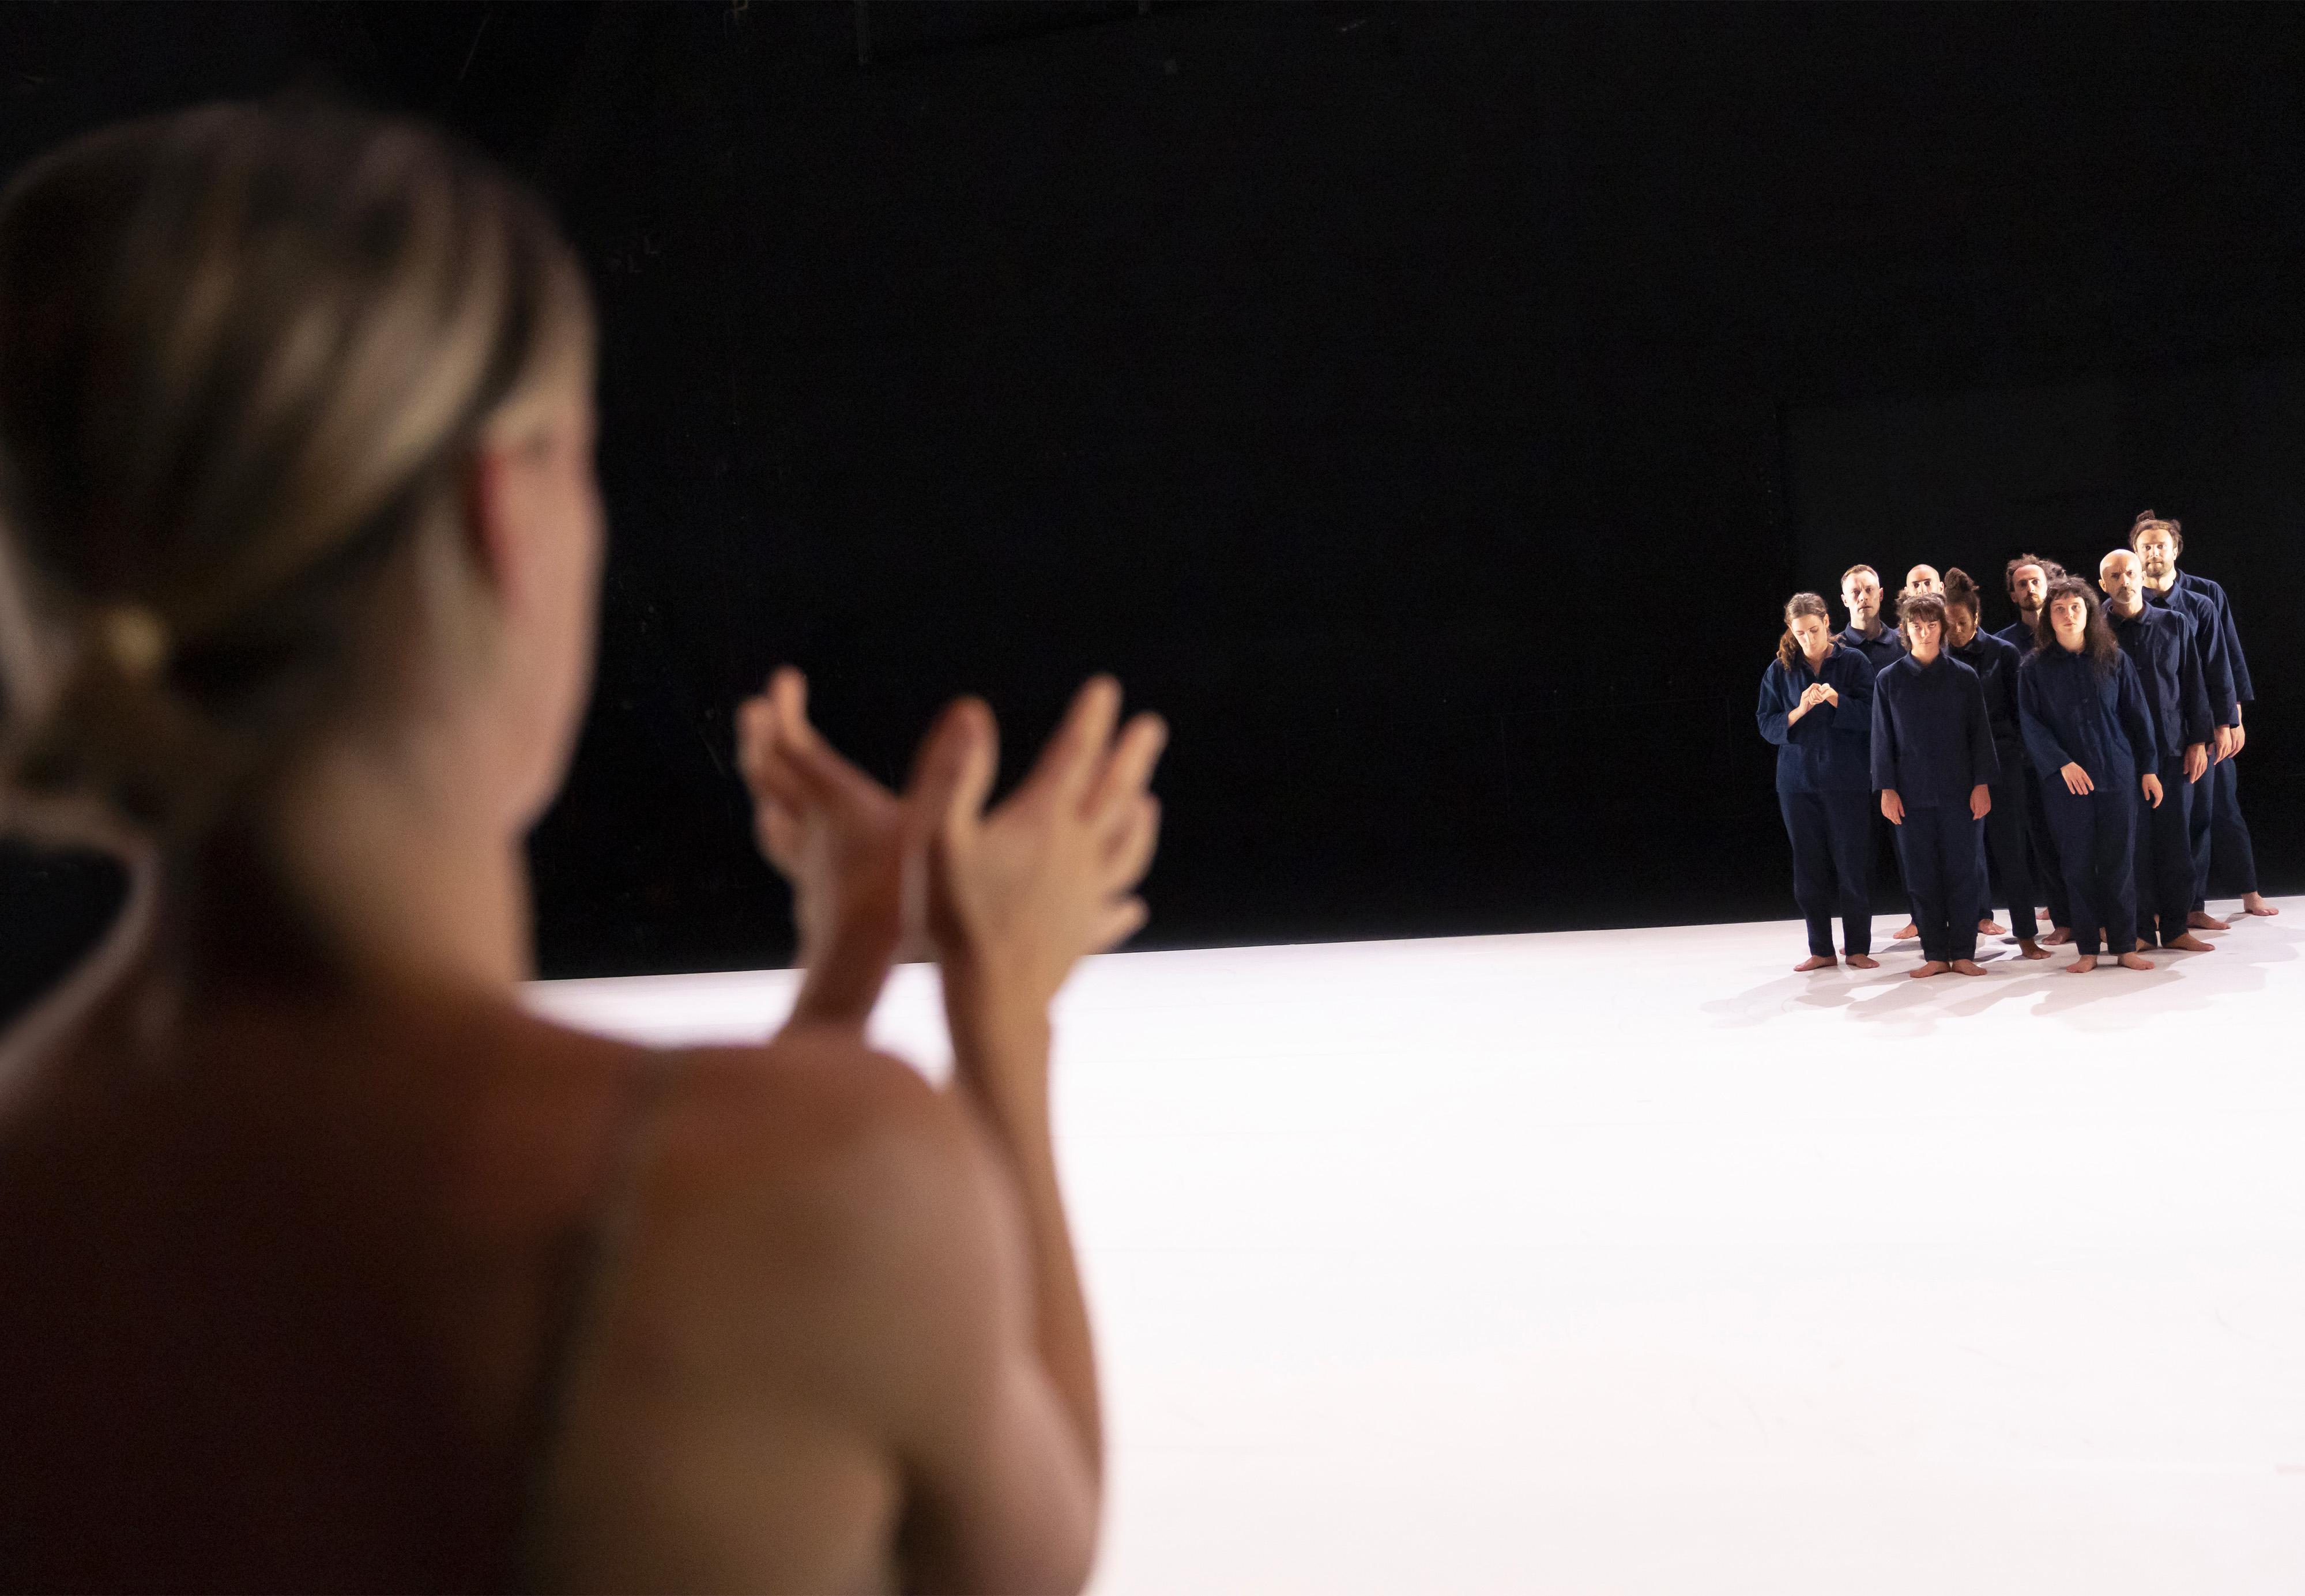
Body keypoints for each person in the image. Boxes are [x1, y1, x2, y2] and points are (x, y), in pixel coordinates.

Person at [0, 101, 1161, 1591]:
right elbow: (1023, 1557)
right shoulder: (838, 1188)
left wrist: (840, 971)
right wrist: (998, 1010)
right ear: (504, 514)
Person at [2131, 512, 2277, 922]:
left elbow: (2226, 660)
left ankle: (2243, 891)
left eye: (2162, 545)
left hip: (2206, 723)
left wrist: (2231, 719)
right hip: (2155, 729)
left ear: (2176, 549)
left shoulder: (2204, 595)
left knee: (2220, 809)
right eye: (2147, 546)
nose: (2155, 552)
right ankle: (2167, 908)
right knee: (2162, 820)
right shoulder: (2128, 600)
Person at [2017, 578, 2163, 975]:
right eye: (2059, 608)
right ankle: (2087, 949)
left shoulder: (2112, 657)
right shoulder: (2034, 668)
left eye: (2076, 607)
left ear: (2090, 612)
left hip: (2116, 774)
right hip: (2066, 783)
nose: (2068, 615)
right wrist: (2061, 763)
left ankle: (2123, 945)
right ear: (2049, 616)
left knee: (2119, 863)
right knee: (2078, 865)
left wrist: (2149, 769)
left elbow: (2139, 718)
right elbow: (2032, 725)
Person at [1871, 593, 1998, 978]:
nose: (1924, 631)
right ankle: (1934, 955)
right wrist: (1887, 790)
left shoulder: (1963, 676)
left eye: (1931, 624)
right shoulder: (1889, 679)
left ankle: (1963, 953)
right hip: (1911, 796)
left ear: (1943, 628)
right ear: (1905, 630)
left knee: (1963, 874)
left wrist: (1982, 784)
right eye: (1916, 625)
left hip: (1961, 793)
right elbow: (1882, 740)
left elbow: (1980, 735)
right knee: (1922, 875)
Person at [1756, 594, 1881, 972]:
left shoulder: (1854, 662)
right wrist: (1800, 710)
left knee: (1851, 864)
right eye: (1800, 633)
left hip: (1846, 780)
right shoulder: (1780, 669)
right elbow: (1766, 722)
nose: (1808, 639)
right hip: (1798, 783)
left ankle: (1857, 947)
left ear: (1827, 622)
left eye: (1814, 630)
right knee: (1808, 866)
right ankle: (1821, 949)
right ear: (1790, 632)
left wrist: (1836, 700)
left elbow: (1875, 714)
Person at [2100, 549, 2214, 954]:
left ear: (2140, 576)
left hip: (2172, 749)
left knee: (2175, 843)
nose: (2125, 579)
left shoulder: (2175, 623)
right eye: (2115, 575)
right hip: (2121, 755)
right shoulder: (2097, 629)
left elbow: (2194, 684)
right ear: (2104, 585)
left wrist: (2199, 741)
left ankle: (2177, 926)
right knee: (2134, 846)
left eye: (2130, 571)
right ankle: (2142, 931)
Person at [1941, 569, 2048, 961]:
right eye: (1947, 623)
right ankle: (1962, 941)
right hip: (1955, 770)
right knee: (1962, 860)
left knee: (2012, 854)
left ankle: (2026, 937)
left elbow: (2021, 716)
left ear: (1977, 616)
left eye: (1962, 623)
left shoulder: (2003, 653)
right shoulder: (1937, 657)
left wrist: (2014, 756)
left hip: (2003, 767)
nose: (1953, 630)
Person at [1994, 553, 2072, 942]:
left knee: (2078, 837)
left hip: (2073, 752)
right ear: (2012, 593)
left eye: (2035, 582)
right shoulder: (2004, 643)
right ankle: (2064, 921)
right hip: (2027, 759)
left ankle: (2098, 915)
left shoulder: (2069, 629)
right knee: (2042, 839)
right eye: (2022, 584)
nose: (2030, 589)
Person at [1836, 564, 1906, 675]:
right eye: (1855, 592)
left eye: (1869, 590)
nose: (1863, 597)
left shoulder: (1904, 643)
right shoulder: (1834, 650)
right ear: (1845, 600)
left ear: (1881, 594)